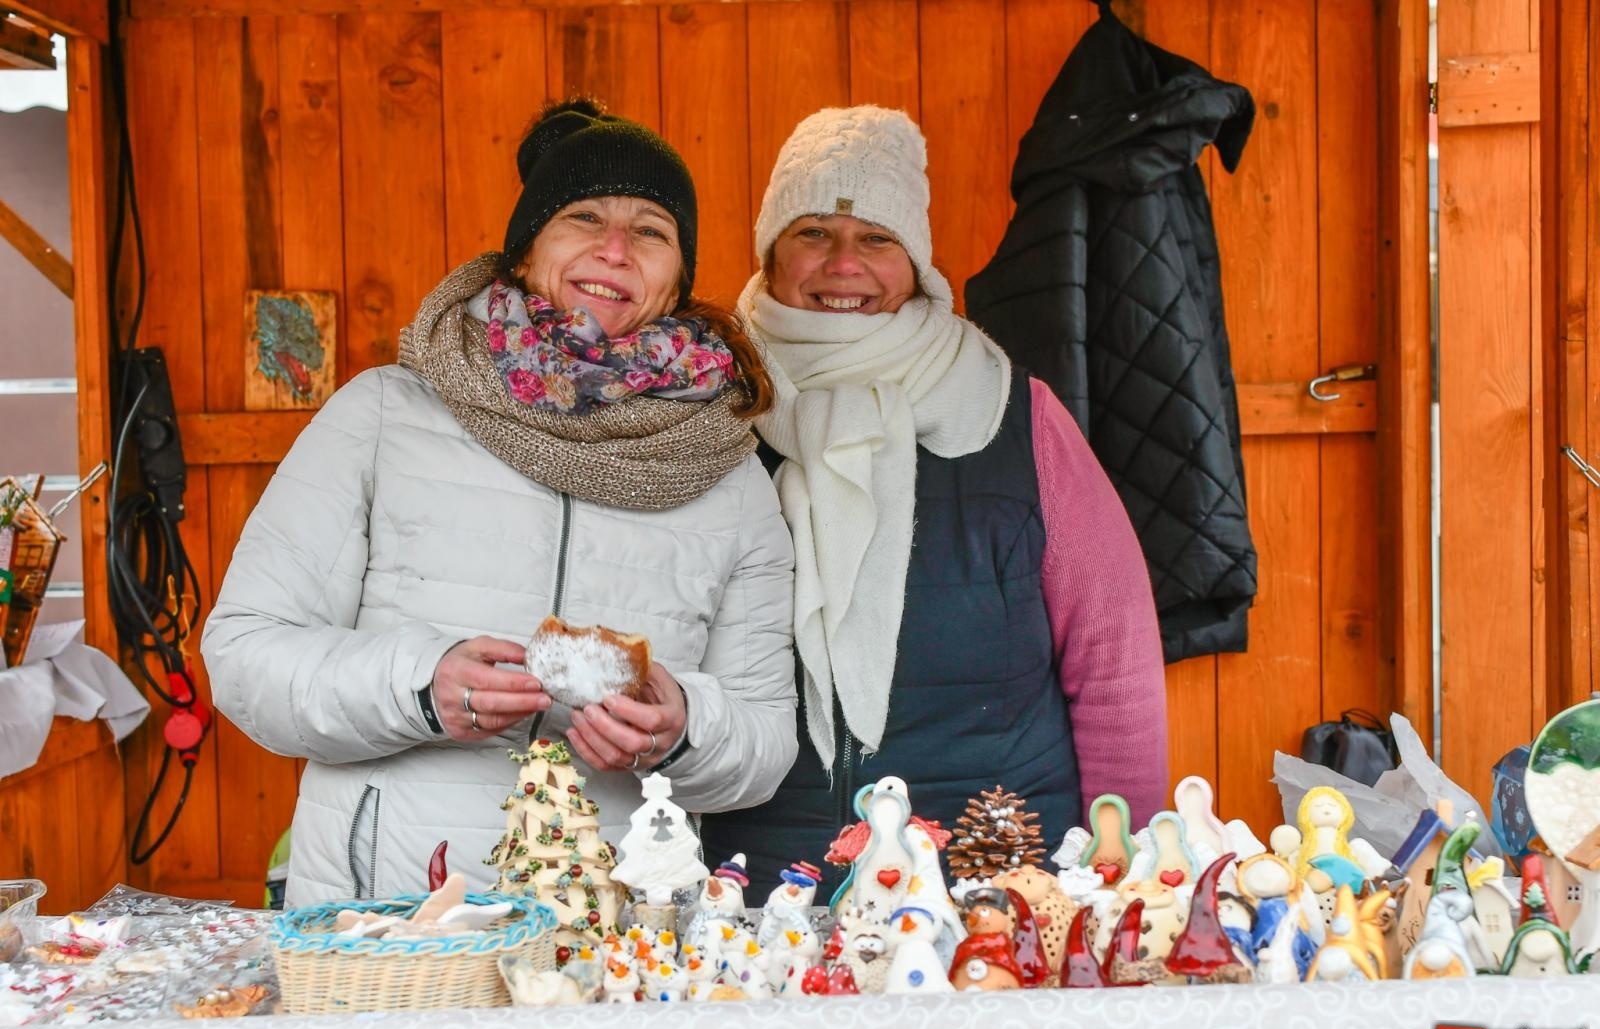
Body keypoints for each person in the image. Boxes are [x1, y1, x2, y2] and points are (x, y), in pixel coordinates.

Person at [202, 99, 797, 907]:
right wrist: (420, 687)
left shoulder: (725, 470)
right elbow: (245, 654)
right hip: (390, 918)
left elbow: (764, 740)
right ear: (524, 251)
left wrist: (684, 726)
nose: (614, 249)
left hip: (615, 924)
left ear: (677, 278)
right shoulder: (384, 417)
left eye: (651, 229)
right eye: (584, 216)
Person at [698, 106, 1167, 897]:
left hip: (1001, 882)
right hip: (762, 886)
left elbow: (1114, 661)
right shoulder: (703, 412)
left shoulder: (1015, 414)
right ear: (770, 253)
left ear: (916, 263)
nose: (844, 263)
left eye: (878, 239)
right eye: (813, 232)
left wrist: (1124, 871)